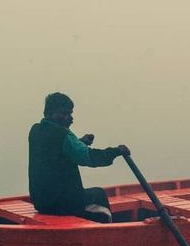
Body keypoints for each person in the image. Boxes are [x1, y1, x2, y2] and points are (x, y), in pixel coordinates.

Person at [28, 92, 130, 222]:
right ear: (49, 113)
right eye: (63, 114)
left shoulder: (35, 131)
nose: (69, 118)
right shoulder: (64, 135)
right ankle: (107, 230)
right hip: (63, 203)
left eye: (70, 114)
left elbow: (55, 152)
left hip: (41, 202)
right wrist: (116, 151)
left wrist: (80, 142)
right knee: (99, 194)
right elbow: (89, 157)